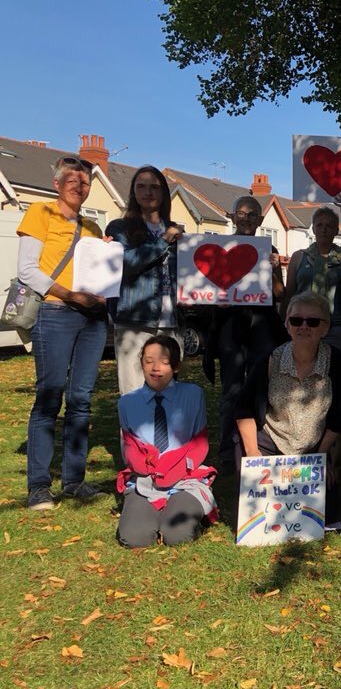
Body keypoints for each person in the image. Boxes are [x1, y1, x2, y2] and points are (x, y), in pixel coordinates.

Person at [17, 157, 107, 509]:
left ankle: (74, 481)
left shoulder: (93, 227)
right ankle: (39, 486)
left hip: (92, 319)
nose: (79, 187)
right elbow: (27, 270)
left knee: (81, 399)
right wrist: (69, 295)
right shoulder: (40, 213)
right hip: (55, 313)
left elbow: (100, 273)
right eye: (72, 181)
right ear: (57, 183)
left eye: (84, 183)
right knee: (49, 397)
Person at [235, 292, 341, 522]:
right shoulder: (269, 360)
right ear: (287, 325)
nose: (304, 326)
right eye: (297, 320)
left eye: (313, 322)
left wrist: (321, 457)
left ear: (325, 328)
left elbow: (339, 414)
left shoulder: (336, 362)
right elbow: (244, 408)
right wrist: (253, 455)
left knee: (325, 515)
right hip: (270, 441)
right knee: (264, 515)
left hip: (315, 446)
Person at [202, 195, 288, 473]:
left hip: (262, 323)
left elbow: (279, 294)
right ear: (232, 216)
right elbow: (205, 291)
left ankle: (258, 444)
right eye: (242, 213)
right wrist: (218, 299)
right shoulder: (218, 247)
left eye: (252, 215)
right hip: (230, 324)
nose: (247, 219)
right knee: (232, 387)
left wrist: (275, 271)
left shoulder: (268, 248)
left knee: (260, 385)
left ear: (260, 221)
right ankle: (227, 448)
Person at [116, 336, 217, 547]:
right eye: (148, 360)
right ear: (141, 363)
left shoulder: (193, 395)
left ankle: (181, 512)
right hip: (145, 480)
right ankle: (152, 514)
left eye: (163, 361)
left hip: (184, 477)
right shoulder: (127, 403)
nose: (155, 368)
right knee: (135, 538)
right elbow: (130, 446)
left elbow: (200, 443)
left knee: (177, 535)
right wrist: (144, 467)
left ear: (176, 365)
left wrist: (176, 469)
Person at [108, 166, 184, 394]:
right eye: (141, 186)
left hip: (171, 322)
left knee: (169, 393)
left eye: (154, 187)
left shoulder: (176, 230)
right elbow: (126, 263)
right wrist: (163, 241)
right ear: (133, 192)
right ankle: (133, 432)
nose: (148, 192)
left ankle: (165, 432)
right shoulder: (119, 228)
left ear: (163, 194)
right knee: (133, 392)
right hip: (135, 321)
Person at [283, 205, 341, 352]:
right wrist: (284, 323)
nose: (324, 229)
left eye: (329, 225)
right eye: (319, 225)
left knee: (334, 369)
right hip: (302, 324)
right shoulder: (299, 256)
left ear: (336, 230)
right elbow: (290, 294)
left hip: (334, 325)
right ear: (313, 229)